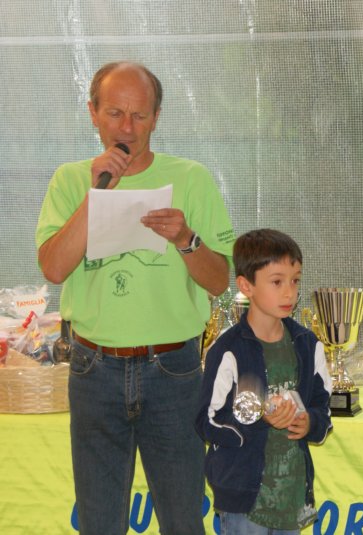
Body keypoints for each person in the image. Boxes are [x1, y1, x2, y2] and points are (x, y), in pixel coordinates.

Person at [35, 61, 235, 535]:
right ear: (92, 112)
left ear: (157, 117)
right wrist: (95, 195)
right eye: (114, 113)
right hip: (93, 369)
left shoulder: (191, 178)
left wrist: (186, 239)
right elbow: (54, 268)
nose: (126, 128)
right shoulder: (70, 179)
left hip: (174, 371)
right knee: (100, 523)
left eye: (139, 115)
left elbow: (219, 281)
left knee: (183, 520)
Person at [196, 228, 332, 535]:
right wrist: (260, 418)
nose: (289, 293)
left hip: (291, 495)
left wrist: (309, 422)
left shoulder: (307, 344)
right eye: (277, 282)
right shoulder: (228, 350)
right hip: (243, 500)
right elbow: (207, 421)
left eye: (295, 280)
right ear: (246, 285)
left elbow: (323, 409)